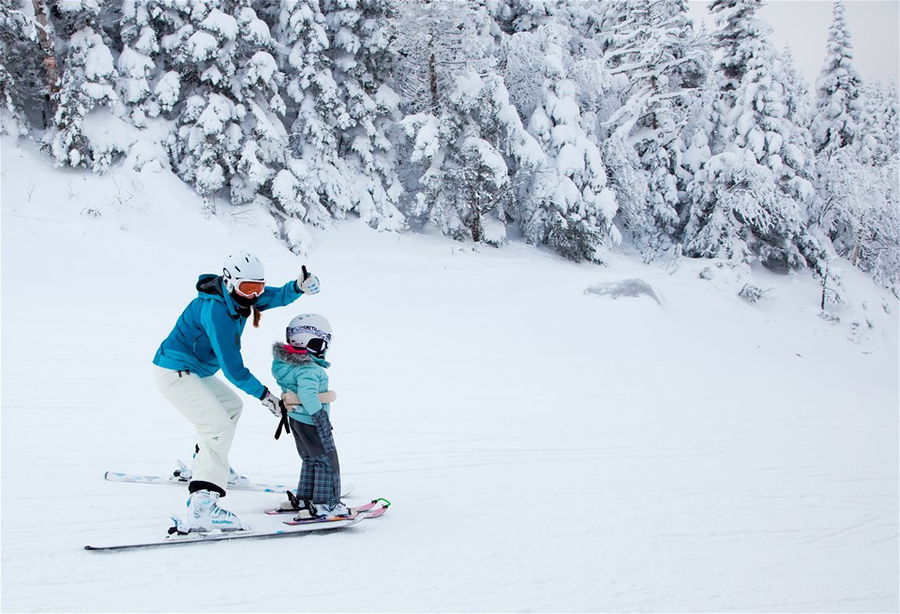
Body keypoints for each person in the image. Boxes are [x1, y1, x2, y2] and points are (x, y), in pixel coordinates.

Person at [152, 249, 320, 533]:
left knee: (230, 407)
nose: (254, 295)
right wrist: (266, 396)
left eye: (258, 287)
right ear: (229, 281)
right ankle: (203, 505)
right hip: (175, 371)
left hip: (195, 372)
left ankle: (207, 463)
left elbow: (274, 296)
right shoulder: (216, 310)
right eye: (247, 288)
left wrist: (297, 288)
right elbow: (233, 368)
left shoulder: (240, 300)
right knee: (216, 425)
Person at [271, 313, 350, 520]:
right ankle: (327, 505)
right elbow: (308, 395)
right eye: (322, 343)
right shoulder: (310, 369)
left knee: (310, 459)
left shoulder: (285, 365)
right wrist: (320, 416)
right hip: (311, 420)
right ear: (311, 341)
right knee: (326, 460)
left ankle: (306, 498)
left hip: (296, 420)